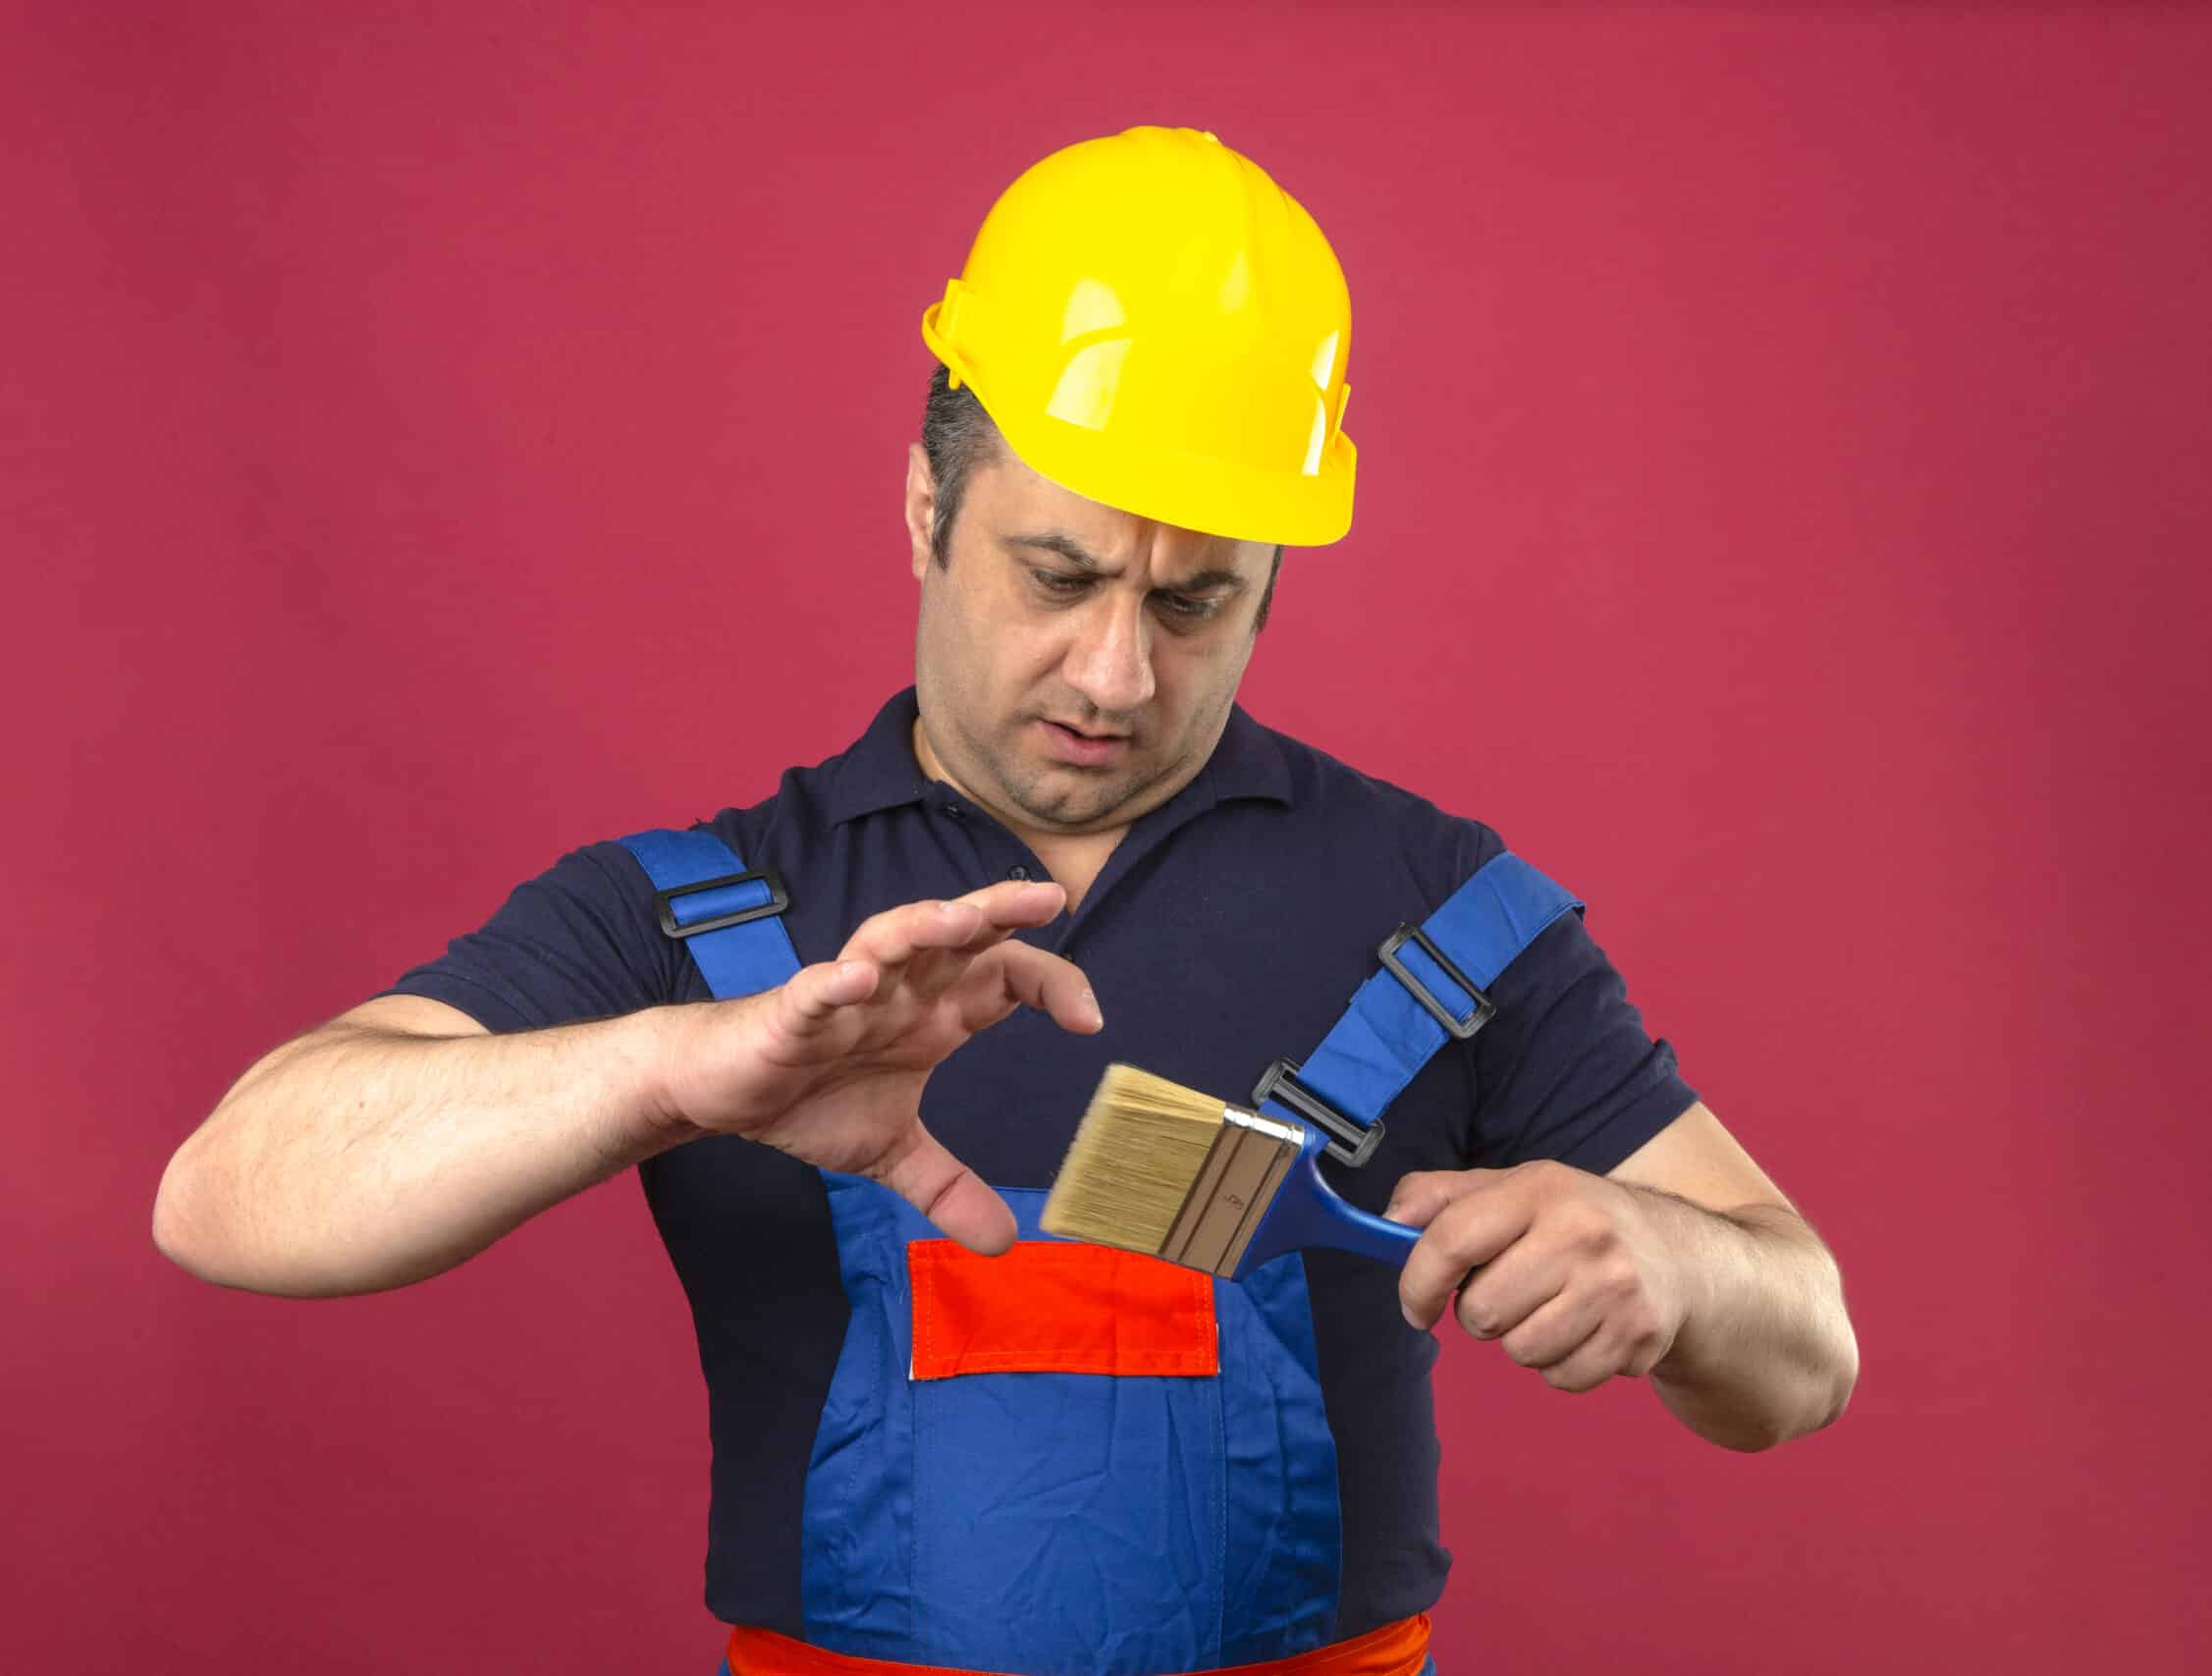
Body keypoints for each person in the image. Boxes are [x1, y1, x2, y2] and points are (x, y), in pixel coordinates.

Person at [154, 127, 1858, 1676]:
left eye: (1195, 604)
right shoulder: (698, 913)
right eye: (1059, 576)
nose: (1115, 674)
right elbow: (228, 1196)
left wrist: (1679, 1268)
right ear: (926, 510)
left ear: (1273, 581)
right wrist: (672, 1070)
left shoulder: (1442, 912)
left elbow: (1808, 1351)